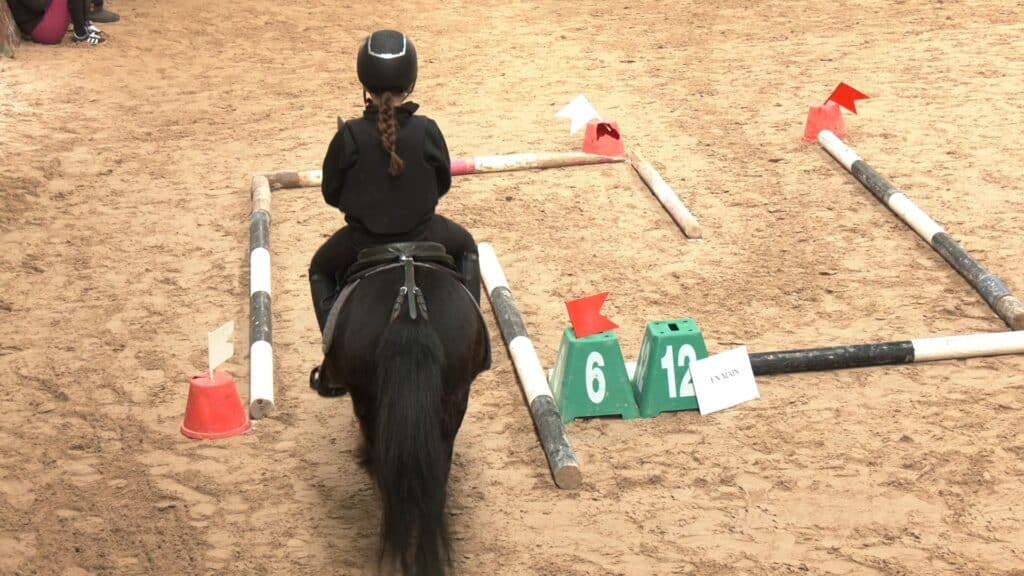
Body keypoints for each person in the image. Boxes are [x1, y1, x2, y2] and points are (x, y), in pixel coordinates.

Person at [309, 29, 482, 338]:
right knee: (467, 247)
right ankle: (472, 335)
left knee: (320, 269)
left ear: (365, 84)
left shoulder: (349, 135)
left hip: (362, 241)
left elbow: (330, 193)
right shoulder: (427, 130)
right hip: (425, 232)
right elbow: (443, 183)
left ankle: (331, 357)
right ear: (410, 83)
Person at [7, 0, 104, 44]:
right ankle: (81, 34)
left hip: (43, 21)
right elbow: (38, 6)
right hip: (40, 29)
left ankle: (85, 25)